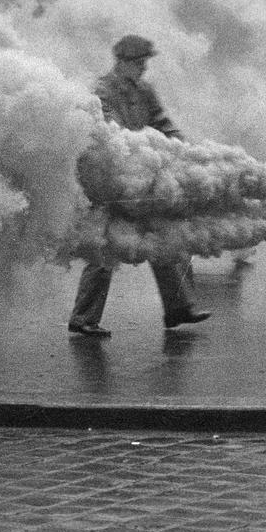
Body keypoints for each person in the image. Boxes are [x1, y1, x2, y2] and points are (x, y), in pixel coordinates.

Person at [69, 34, 211, 339]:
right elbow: (111, 131)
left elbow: (162, 122)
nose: (144, 68)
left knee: (165, 237)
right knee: (104, 248)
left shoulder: (144, 90)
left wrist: (186, 149)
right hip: (112, 180)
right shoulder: (103, 91)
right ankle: (83, 317)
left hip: (142, 177)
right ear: (122, 62)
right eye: (138, 63)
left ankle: (178, 308)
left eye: (145, 62)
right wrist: (141, 154)